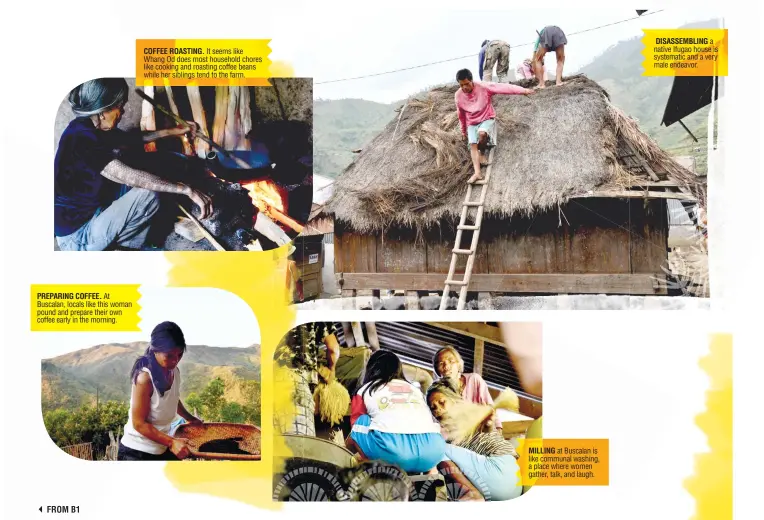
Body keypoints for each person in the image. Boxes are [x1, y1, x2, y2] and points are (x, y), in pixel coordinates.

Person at [55, 78, 213, 251]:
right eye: (119, 106)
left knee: (145, 169)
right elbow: (130, 177)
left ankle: (122, 241)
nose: (122, 112)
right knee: (149, 192)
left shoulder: (87, 126)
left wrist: (173, 131)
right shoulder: (83, 141)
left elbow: (130, 139)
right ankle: (129, 248)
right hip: (78, 238)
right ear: (103, 111)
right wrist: (186, 189)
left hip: (92, 212)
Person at [346, 350, 446, 474]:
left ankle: (368, 465)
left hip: (392, 456)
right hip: (434, 453)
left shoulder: (364, 390)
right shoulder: (415, 390)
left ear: (371, 369)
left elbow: (355, 428)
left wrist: (346, 449)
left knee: (361, 422)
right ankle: (430, 474)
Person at [426, 378, 523, 501]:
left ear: (455, 401)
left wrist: (488, 422)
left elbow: (487, 427)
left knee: (435, 447)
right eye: (433, 408)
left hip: (501, 472)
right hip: (513, 487)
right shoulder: (450, 438)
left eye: (442, 402)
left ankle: (472, 495)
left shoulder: (474, 415)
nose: (438, 409)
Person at [118, 321, 202, 461]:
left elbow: (173, 399)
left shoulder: (174, 372)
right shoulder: (145, 378)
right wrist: (171, 442)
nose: (175, 361)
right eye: (169, 356)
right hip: (136, 452)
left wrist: (190, 418)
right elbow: (139, 424)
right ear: (155, 349)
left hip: (161, 446)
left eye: (179, 354)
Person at [455, 69, 534, 184]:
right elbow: (461, 115)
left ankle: (482, 152)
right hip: (471, 122)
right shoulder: (458, 96)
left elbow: (503, 88)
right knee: (472, 144)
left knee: (481, 133)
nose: (464, 87)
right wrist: (463, 131)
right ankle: (477, 173)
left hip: (486, 118)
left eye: (467, 84)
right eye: (461, 85)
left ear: (471, 80)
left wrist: (523, 90)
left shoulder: (483, 87)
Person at [274, 322, 342, 440]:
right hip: (294, 381)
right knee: (300, 446)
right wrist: (331, 370)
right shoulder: (315, 315)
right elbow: (333, 348)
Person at [432, 346, 502, 431]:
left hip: (483, 433)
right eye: (441, 363)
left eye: (451, 361)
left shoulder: (474, 379)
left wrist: (498, 429)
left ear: (458, 365)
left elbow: (490, 407)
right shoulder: (438, 393)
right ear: (437, 370)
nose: (446, 367)